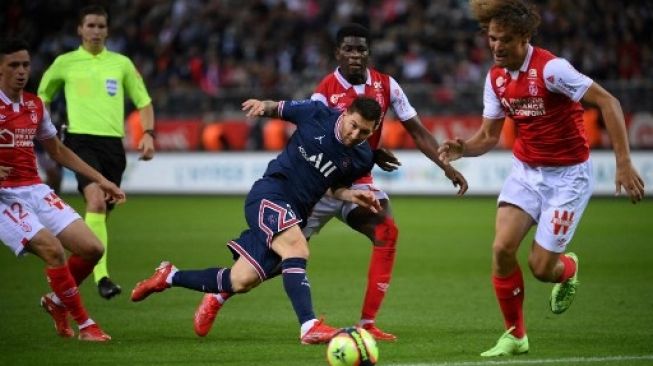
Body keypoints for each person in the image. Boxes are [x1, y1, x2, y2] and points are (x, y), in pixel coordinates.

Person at [193, 23, 469, 342]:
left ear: (369, 53)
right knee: (285, 257)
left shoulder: (387, 85)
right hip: (319, 186)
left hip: (357, 181)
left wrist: (444, 166)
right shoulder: (325, 90)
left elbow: (417, 131)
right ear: (337, 53)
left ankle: (367, 324)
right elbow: (318, 139)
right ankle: (218, 294)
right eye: (348, 49)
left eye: (361, 49)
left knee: (386, 231)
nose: (355, 55)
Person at [437, 0, 645, 357]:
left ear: (524, 37)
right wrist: (463, 148)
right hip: (526, 172)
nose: (496, 46)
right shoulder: (495, 78)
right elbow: (488, 136)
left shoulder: (553, 70)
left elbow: (608, 103)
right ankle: (516, 336)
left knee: (541, 268)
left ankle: (567, 269)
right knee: (502, 249)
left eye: (504, 39)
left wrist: (623, 163)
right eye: (491, 39)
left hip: (567, 178)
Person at [131, 97, 383, 345]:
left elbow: (333, 187)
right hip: (271, 194)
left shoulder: (360, 156)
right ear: (345, 113)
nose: (355, 135)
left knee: (240, 280)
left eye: (364, 132)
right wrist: (263, 107)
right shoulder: (317, 113)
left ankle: (169, 276)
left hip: (296, 212)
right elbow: (278, 108)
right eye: (354, 125)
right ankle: (309, 326)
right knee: (297, 249)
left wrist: (350, 194)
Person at [0, 37, 127, 342]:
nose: (21, 71)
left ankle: (56, 302)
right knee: (53, 251)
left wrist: (100, 179)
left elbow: (57, 150)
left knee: (93, 248)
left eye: (25, 65)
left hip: (34, 189)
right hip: (4, 197)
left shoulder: (34, 104)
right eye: (13, 65)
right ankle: (86, 325)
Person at [37, 4, 156, 300]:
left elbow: (144, 101)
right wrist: (44, 125)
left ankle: (67, 273)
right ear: (80, 29)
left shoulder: (121, 64)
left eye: (101, 26)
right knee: (96, 203)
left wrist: (149, 134)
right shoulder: (65, 62)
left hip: (113, 147)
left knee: (100, 215)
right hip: (79, 141)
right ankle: (102, 278)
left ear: (108, 30)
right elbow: (42, 95)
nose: (96, 31)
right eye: (90, 25)